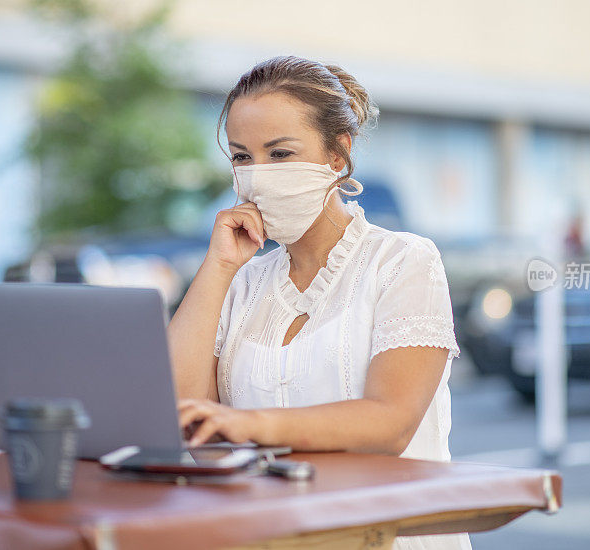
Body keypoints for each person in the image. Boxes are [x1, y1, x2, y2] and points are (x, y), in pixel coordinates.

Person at [168, 55, 472, 550]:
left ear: (337, 155)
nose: (257, 176)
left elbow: (389, 424)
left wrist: (245, 424)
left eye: (280, 154)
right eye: (243, 158)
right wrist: (219, 268)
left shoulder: (402, 261)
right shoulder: (241, 282)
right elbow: (181, 414)